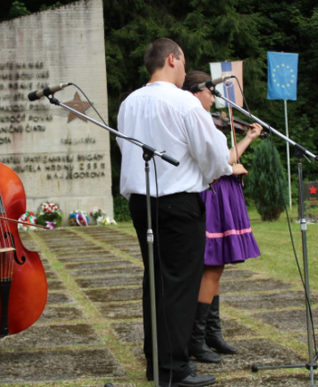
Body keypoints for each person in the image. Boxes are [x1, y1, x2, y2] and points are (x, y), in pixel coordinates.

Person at [117, 38, 243, 387]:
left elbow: (124, 148)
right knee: (179, 284)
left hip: (141, 203)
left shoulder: (129, 103)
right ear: (172, 59)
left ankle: (155, 362)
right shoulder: (185, 102)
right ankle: (173, 369)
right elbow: (215, 158)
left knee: (154, 280)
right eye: (184, 63)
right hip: (178, 202)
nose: (186, 71)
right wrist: (207, 172)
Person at [182, 71, 261, 363]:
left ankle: (211, 333)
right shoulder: (195, 119)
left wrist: (249, 138)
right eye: (210, 92)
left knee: (218, 268)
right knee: (210, 267)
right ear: (196, 92)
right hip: (212, 194)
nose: (214, 98)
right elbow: (211, 164)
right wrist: (230, 169)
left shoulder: (208, 121)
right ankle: (197, 338)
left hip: (224, 193)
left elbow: (226, 157)